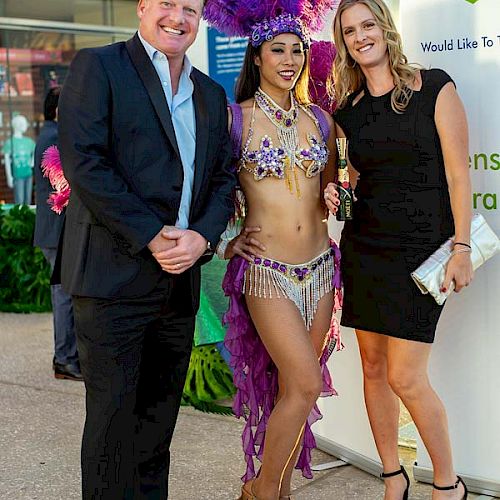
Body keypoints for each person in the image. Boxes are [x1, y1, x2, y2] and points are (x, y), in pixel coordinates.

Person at [56, 0, 236, 497]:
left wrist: (202, 236)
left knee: (156, 430)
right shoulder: (100, 67)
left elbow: (222, 178)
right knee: (112, 429)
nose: (177, 17)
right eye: (166, 4)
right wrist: (153, 235)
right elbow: (85, 162)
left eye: (190, 9)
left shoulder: (209, 92)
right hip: (113, 279)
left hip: (179, 281)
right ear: (141, 8)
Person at [324, 1, 472, 499]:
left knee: (406, 377)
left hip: (425, 250)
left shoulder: (434, 86)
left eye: (368, 25)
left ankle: (449, 485)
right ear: (343, 42)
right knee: (371, 366)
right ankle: (393, 476)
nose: (360, 36)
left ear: (384, 27)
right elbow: (355, 179)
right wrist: (333, 189)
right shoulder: (347, 110)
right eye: (349, 31)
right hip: (366, 247)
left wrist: (462, 246)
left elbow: (458, 173)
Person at [204, 1, 342, 499]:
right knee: (305, 385)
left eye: (297, 50)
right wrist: (225, 241)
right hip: (267, 272)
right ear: (257, 56)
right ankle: (262, 491)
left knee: (294, 390)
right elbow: (207, 191)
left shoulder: (320, 122)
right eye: (277, 50)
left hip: (323, 269)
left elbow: (331, 193)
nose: (289, 59)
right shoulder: (233, 120)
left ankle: (272, 490)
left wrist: (333, 196)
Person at [33, 86, 81, 382]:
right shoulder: (53, 138)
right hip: (57, 232)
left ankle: (67, 357)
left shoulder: (50, 134)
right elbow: (65, 187)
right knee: (64, 295)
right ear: (58, 110)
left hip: (56, 231)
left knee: (65, 294)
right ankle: (64, 359)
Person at [2, 114, 35, 205]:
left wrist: (32, 163)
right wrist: (9, 177)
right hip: (17, 175)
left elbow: (36, 151)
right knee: (19, 200)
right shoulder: (10, 142)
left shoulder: (29, 141)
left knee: (28, 199)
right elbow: (7, 160)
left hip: (28, 173)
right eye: (23, 124)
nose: (25, 126)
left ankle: (28, 217)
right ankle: (20, 218)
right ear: (18, 125)